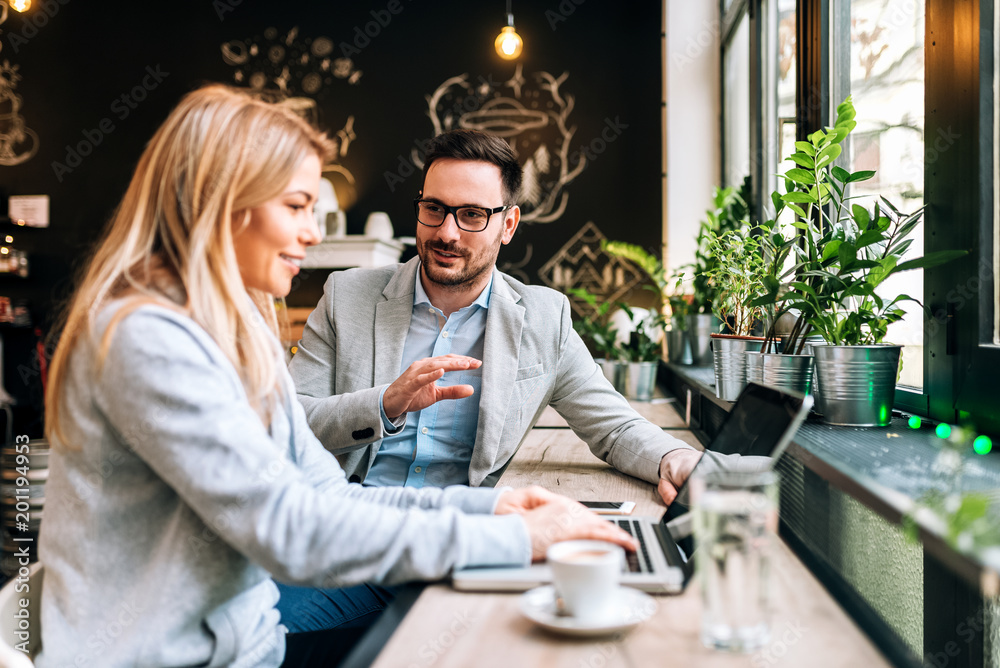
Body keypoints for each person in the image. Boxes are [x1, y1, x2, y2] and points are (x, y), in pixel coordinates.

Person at [36, 86, 636, 668]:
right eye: (297, 206)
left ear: (508, 224)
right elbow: (288, 529)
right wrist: (515, 540)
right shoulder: (150, 340)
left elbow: (323, 495)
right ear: (223, 201)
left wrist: (496, 510)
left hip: (241, 640)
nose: (314, 233)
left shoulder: (235, 324)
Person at [290, 128, 702, 503]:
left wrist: (674, 458)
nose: (446, 232)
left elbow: (614, 428)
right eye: (434, 208)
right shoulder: (346, 296)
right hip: (352, 523)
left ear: (508, 225)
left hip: (464, 531)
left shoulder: (543, 319)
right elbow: (290, 421)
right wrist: (385, 404)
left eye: (472, 215)